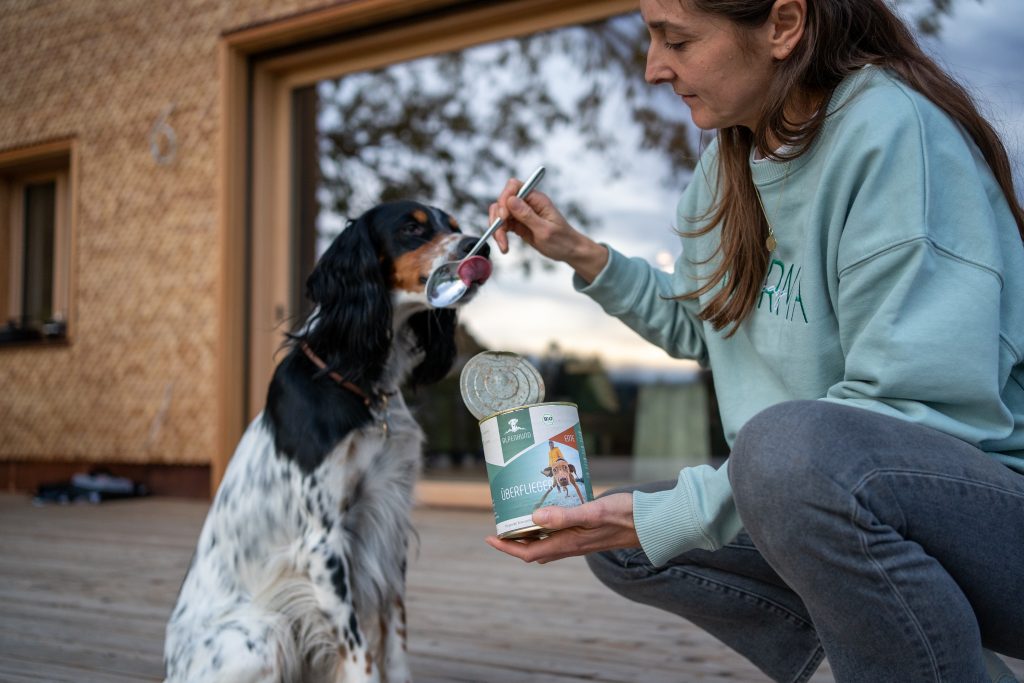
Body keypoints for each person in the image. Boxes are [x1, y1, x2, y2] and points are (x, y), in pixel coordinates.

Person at [484, 0, 1024, 681]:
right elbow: (703, 323)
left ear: (783, 26)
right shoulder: (728, 161)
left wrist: (686, 510)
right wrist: (577, 252)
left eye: (676, 39)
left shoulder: (893, 133)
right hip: (822, 485)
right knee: (621, 542)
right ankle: (911, 654)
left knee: (778, 456)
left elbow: (915, 407)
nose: (654, 68)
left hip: (993, 511)